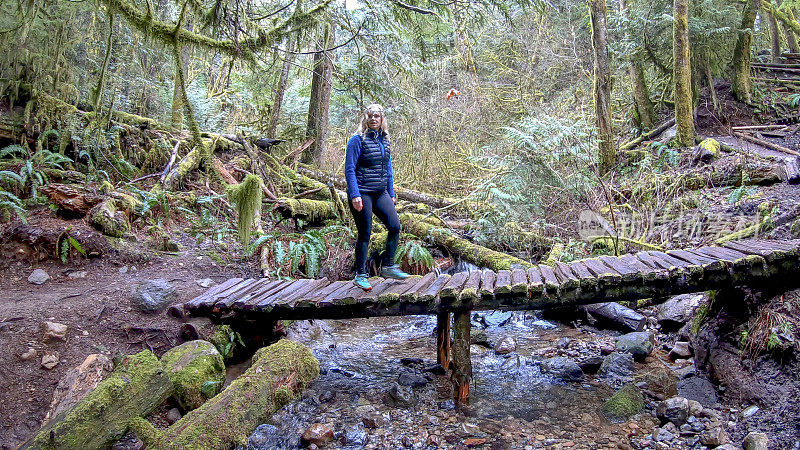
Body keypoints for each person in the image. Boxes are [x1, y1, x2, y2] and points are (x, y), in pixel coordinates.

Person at [344, 104, 410, 290]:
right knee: (365, 233)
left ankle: (388, 266)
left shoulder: (384, 140)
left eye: (377, 116)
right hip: (362, 192)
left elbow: (388, 169)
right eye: (370, 116)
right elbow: (349, 169)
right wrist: (355, 194)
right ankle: (360, 275)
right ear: (365, 118)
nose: (373, 119)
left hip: (380, 192)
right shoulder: (357, 140)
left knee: (395, 225)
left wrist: (391, 192)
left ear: (382, 120)